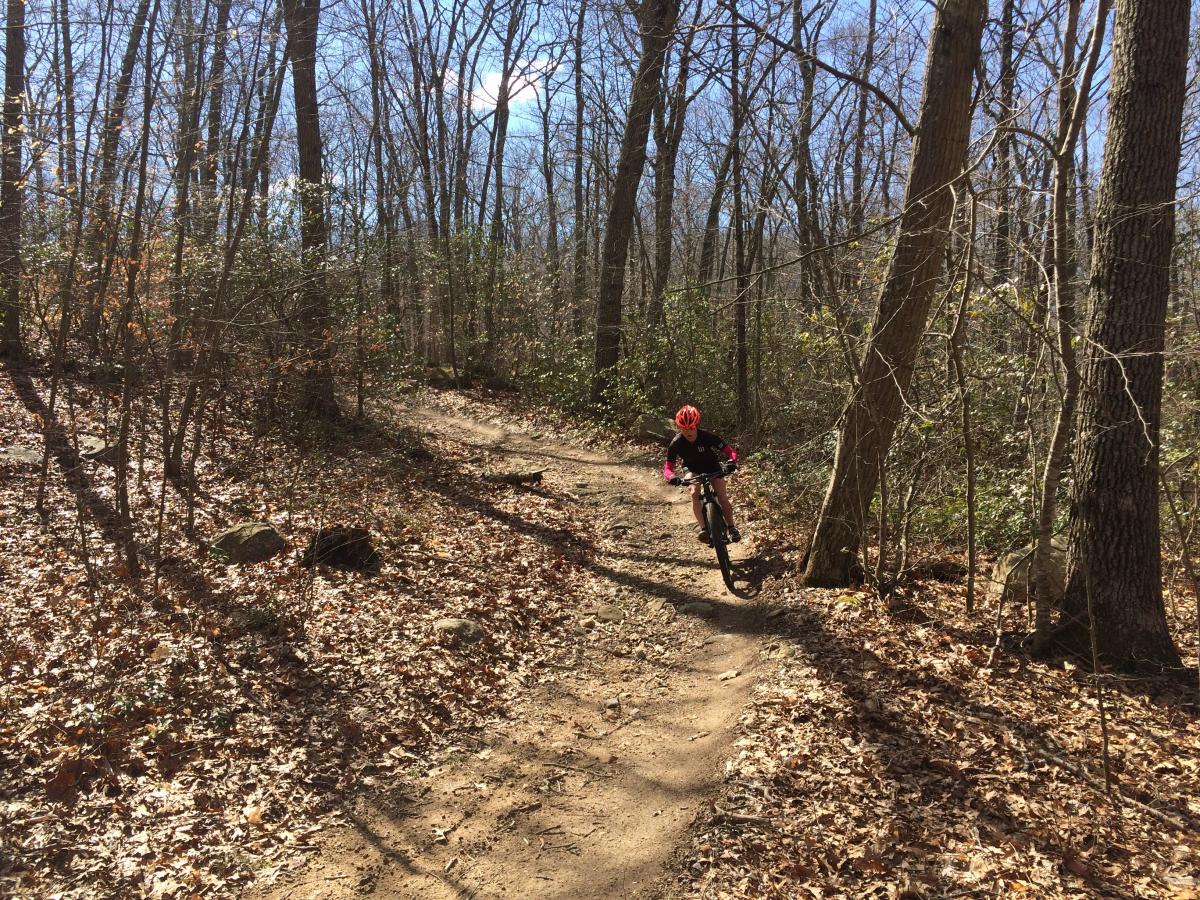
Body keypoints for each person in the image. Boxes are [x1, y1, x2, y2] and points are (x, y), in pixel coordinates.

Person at [663, 405, 742, 544]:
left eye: (692, 427)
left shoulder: (707, 437)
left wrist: (732, 462)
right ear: (679, 428)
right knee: (694, 492)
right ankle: (704, 529)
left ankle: (731, 528)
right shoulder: (676, 443)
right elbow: (668, 467)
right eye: (684, 428)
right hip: (691, 468)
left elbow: (730, 451)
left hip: (712, 466)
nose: (689, 431)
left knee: (722, 495)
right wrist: (672, 477)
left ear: (696, 425)